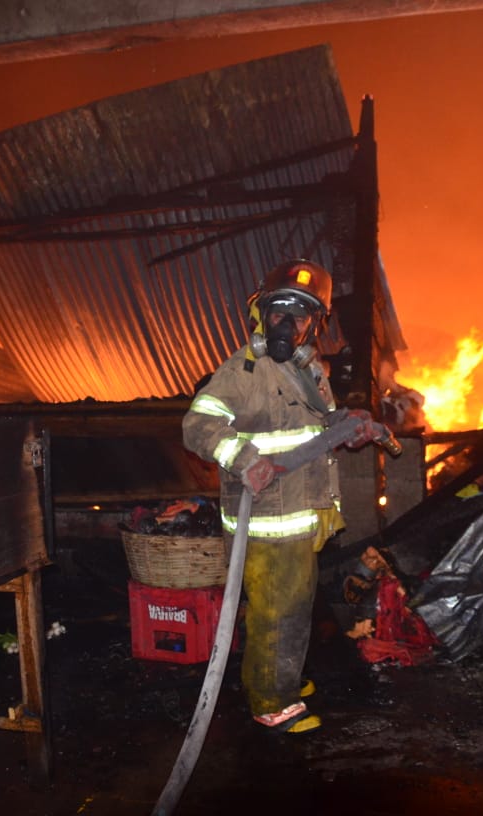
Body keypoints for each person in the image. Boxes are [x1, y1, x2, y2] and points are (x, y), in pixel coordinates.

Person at [182, 259, 379, 734]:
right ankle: (271, 701)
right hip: (268, 518)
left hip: (301, 512)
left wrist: (347, 427)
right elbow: (197, 426)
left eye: (301, 314)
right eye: (279, 312)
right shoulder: (246, 370)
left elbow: (312, 428)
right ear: (261, 315)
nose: (288, 325)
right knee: (276, 610)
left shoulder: (306, 369)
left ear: (316, 322)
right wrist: (246, 458)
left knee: (293, 604)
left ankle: (283, 677)